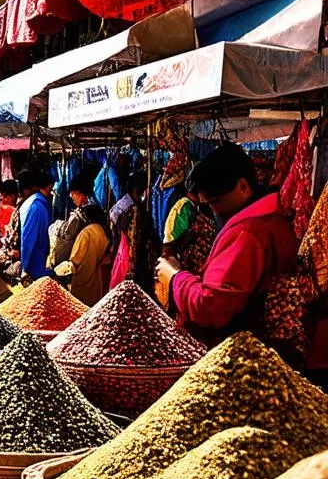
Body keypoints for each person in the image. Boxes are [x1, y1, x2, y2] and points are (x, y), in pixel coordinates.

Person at [155, 143, 299, 346]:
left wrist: (175, 277)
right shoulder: (273, 219)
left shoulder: (248, 233)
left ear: (243, 186)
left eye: (216, 202)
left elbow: (211, 306)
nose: (214, 211)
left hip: (245, 355)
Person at [110, 171, 157, 292]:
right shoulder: (134, 210)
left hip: (122, 251)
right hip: (130, 255)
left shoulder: (121, 205)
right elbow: (134, 239)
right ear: (137, 189)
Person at [50, 173, 101, 270]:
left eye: (72, 193)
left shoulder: (82, 215)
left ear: (80, 193)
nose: (72, 197)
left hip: (83, 261)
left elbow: (69, 235)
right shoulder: (96, 208)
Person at [67, 205, 110, 306]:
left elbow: (76, 258)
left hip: (82, 279)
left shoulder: (86, 232)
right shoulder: (103, 231)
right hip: (97, 280)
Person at [19, 170, 54, 281]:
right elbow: (29, 237)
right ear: (48, 185)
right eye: (51, 186)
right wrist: (25, 266)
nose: (52, 189)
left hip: (37, 255)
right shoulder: (37, 206)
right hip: (36, 259)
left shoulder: (36, 201)